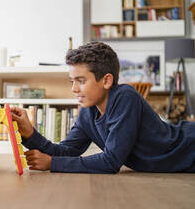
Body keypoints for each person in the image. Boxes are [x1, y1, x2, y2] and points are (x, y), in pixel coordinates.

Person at [11, 42, 195, 173]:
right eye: (72, 81)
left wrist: (53, 164)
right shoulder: (87, 112)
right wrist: (29, 134)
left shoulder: (125, 96)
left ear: (107, 80)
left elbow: (111, 161)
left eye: (81, 81)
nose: (74, 89)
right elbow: (66, 151)